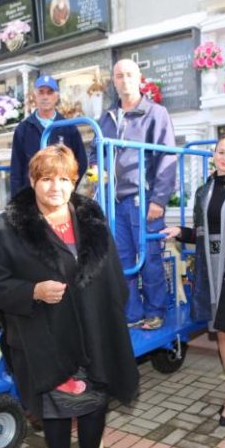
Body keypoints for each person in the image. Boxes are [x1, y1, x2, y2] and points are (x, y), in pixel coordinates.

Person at [0, 145, 138, 448]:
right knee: (58, 410)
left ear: (74, 181)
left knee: (95, 404)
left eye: (64, 179)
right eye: (47, 179)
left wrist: (110, 320)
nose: (56, 187)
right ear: (33, 180)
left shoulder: (90, 218)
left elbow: (111, 272)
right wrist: (31, 291)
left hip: (94, 330)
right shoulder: (9, 227)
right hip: (45, 337)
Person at [162, 133, 225, 427]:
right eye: (221, 152)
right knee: (221, 333)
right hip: (210, 270)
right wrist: (180, 233)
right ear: (214, 155)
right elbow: (200, 233)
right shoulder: (203, 192)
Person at [89, 58, 176, 330]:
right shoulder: (106, 117)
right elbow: (95, 152)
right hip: (114, 202)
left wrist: (159, 200)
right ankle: (132, 312)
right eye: (118, 75)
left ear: (139, 78)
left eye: (128, 74)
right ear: (113, 82)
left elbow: (167, 157)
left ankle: (155, 311)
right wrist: (95, 171)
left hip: (143, 200)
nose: (124, 80)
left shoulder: (155, 113)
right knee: (122, 260)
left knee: (149, 257)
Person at [10, 75, 87, 197]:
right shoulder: (23, 129)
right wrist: (18, 201)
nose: (45, 97)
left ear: (56, 96)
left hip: (59, 196)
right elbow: (16, 169)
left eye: (50, 92)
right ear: (34, 95)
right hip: (31, 198)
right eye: (41, 92)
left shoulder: (69, 127)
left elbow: (81, 161)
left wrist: (68, 188)